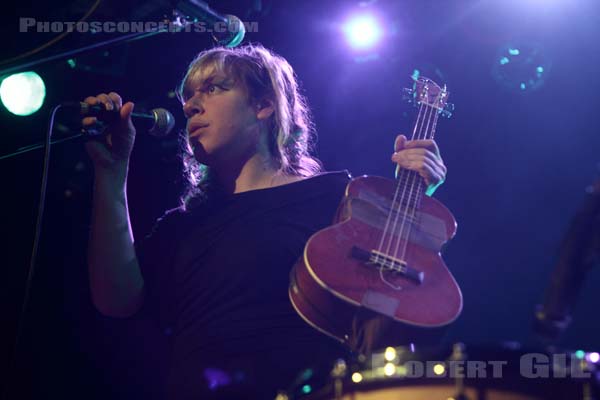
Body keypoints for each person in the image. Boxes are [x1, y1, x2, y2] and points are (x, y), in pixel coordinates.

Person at [83, 43, 447, 399]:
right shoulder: (181, 227)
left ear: (264, 105)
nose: (191, 106)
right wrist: (111, 172)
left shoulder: (335, 196)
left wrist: (415, 196)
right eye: (189, 97)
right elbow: (116, 301)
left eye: (213, 88)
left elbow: (390, 302)